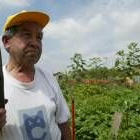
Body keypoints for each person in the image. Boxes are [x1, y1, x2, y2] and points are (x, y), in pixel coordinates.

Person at [0, 10, 71, 140]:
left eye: (39, 37)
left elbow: (63, 124)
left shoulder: (49, 78)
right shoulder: (2, 83)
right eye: (26, 35)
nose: (35, 43)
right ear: (6, 42)